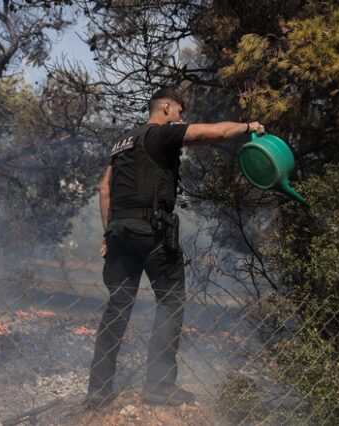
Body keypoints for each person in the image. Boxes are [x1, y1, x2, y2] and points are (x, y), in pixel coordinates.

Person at [85, 87, 265, 409]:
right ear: (166, 107)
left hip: (119, 236)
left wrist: (107, 234)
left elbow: (104, 189)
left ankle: (97, 393)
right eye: (180, 112)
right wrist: (249, 127)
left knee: (117, 309)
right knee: (171, 302)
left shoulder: (122, 143)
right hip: (153, 234)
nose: (182, 118)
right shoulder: (159, 135)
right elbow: (215, 133)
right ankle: (159, 386)